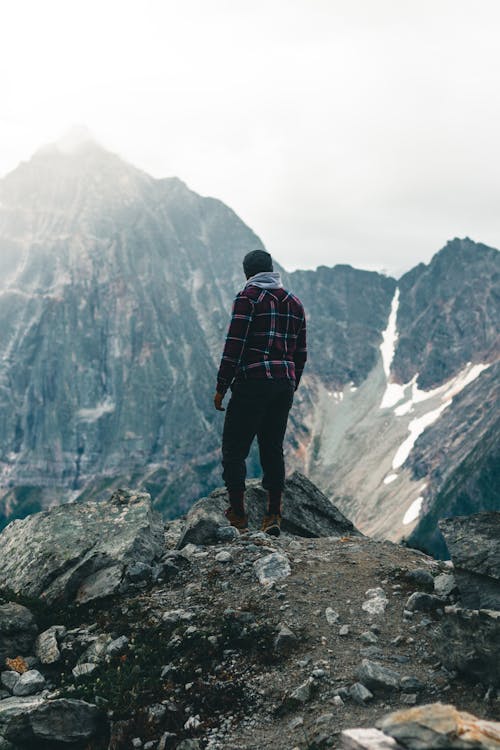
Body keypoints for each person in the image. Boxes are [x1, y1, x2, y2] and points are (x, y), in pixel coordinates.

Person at [214, 249, 307, 536]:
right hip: (283, 385)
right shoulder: (294, 303)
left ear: (247, 274)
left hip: (252, 382)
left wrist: (221, 387)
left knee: (234, 450)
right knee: (272, 448)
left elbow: (234, 345)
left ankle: (239, 515)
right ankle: (273, 514)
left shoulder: (247, 298)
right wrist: (292, 382)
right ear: (272, 269)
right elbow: (300, 352)